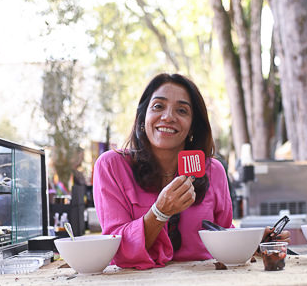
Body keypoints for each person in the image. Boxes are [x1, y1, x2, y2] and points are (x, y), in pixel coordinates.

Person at [93, 73, 234, 269]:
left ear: (193, 126)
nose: (168, 117)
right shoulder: (112, 166)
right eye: (158, 106)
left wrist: (256, 241)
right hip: (135, 284)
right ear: (142, 117)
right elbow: (116, 250)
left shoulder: (213, 171)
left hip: (203, 281)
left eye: (182, 110)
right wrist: (159, 213)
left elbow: (225, 235)